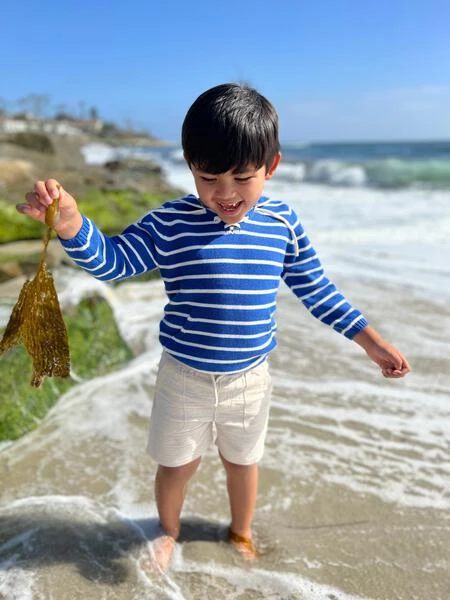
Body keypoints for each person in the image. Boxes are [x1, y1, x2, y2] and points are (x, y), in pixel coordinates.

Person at [17, 83, 410, 570]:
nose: (225, 193)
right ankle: (167, 530)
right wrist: (72, 225)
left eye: (243, 177)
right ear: (189, 165)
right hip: (185, 378)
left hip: (250, 379)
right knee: (177, 465)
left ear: (271, 166)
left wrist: (370, 341)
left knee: (242, 463)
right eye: (208, 177)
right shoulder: (170, 223)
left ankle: (241, 531)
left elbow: (317, 290)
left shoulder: (283, 223)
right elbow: (114, 263)